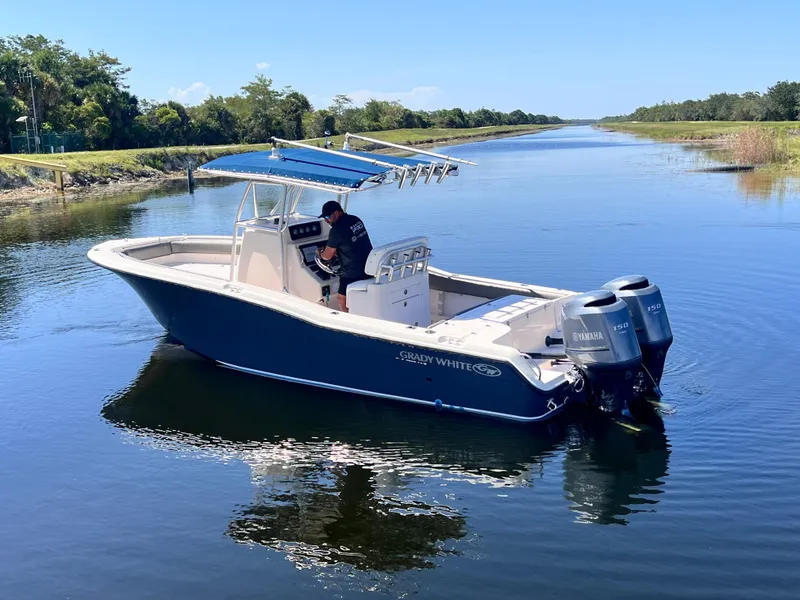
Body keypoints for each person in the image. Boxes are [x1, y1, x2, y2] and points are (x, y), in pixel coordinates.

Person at [316, 200, 373, 312]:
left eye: (327, 216)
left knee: (342, 299)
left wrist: (319, 253)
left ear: (336, 213)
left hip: (353, 272)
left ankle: (348, 319)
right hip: (369, 266)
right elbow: (353, 242)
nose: (326, 220)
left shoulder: (336, 230)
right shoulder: (356, 219)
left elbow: (327, 257)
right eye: (324, 218)